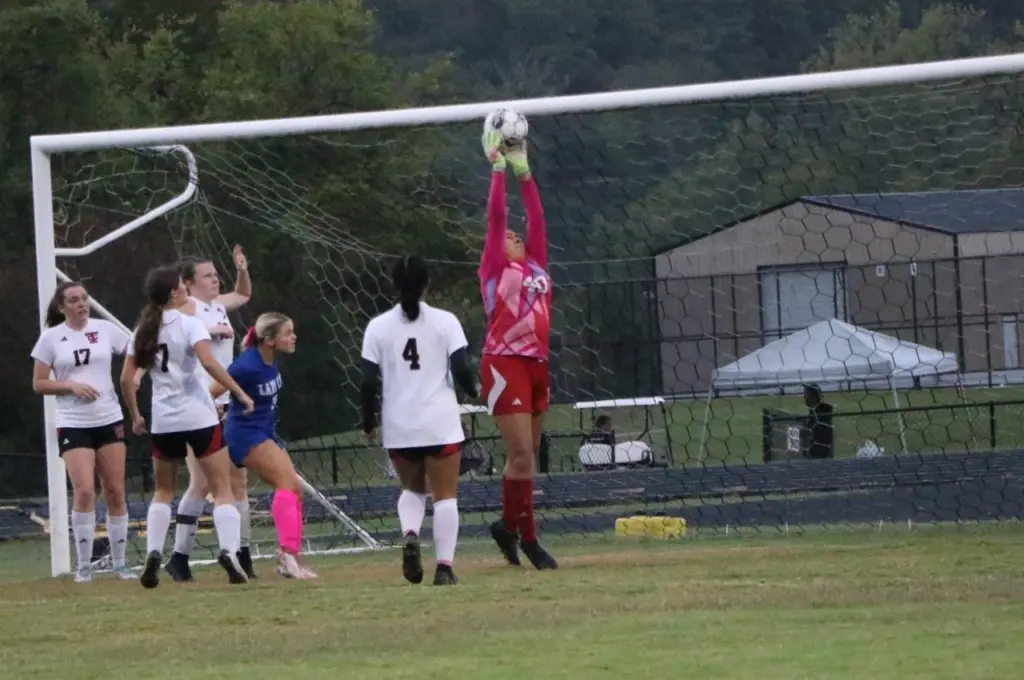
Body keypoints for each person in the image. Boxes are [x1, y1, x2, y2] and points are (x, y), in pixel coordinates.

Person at [120, 266, 254, 589]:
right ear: (173, 294)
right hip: (199, 417)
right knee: (222, 488)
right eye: (182, 285)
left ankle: (154, 551)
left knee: (163, 490)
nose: (185, 289)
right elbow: (209, 363)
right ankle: (229, 553)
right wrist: (238, 392)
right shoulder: (190, 324)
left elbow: (126, 380)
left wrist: (136, 415)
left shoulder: (142, 331)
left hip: (164, 421)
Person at [360, 256, 478, 587]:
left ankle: (411, 533)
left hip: (400, 425)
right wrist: (473, 391)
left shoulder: (377, 327)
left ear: (394, 285)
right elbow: (461, 367)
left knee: (412, 490)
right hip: (439, 421)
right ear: (427, 285)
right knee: (445, 495)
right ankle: (444, 568)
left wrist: (368, 423)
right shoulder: (446, 321)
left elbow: (367, 383)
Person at [478, 125, 557, 570]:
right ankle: (528, 538)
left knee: (528, 458)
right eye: (509, 236)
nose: (515, 236)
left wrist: (525, 173)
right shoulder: (495, 267)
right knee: (522, 454)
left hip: (537, 364)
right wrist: (498, 171)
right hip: (504, 362)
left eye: (517, 235)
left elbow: (538, 220)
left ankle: (508, 525)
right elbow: (496, 219)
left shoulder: (536, 265)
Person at [30, 282, 134, 583]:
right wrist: (71, 386)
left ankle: (120, 564)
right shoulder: (51, 338)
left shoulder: (105, 329)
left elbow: (135, 354)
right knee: (85, 490)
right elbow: (39, 383)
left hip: (109, 418)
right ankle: (84, 566)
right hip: (73, 422)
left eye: (84, 298)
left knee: (115, 491)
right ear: (61, 307)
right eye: (74, 300)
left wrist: (132, 379)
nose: (82, 304)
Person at [166, 248, 257, 582]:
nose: (215, 279)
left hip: (226, 401)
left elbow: (243, 295)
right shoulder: (188, 307)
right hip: (201, 402)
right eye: (207, 275)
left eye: (216, 274)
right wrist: (209, 331)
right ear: (189, 283)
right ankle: (180, 556)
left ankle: (241, 553)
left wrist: (241, 270)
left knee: (237, 480)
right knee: (202, 482)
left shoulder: (217, 304)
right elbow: (172, 328)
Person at [217, 312, 317, 580]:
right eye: (288, 333)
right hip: (245, 434)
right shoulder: (246, 366)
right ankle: (287, 557)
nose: (293, 337)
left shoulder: (269, 360)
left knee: (295, 490)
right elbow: (212, 390)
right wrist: (218, 414)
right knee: (286, 485)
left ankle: (289, 557)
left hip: (265, 431)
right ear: (270, 340)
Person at [802, 384, 835, 460]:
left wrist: (806, 427)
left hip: (820, 453)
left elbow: (819, 430)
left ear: (813, 397)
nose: (804, 397)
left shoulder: (823, 412)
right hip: (817, 452)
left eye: (806, 395)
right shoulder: (814, 411)